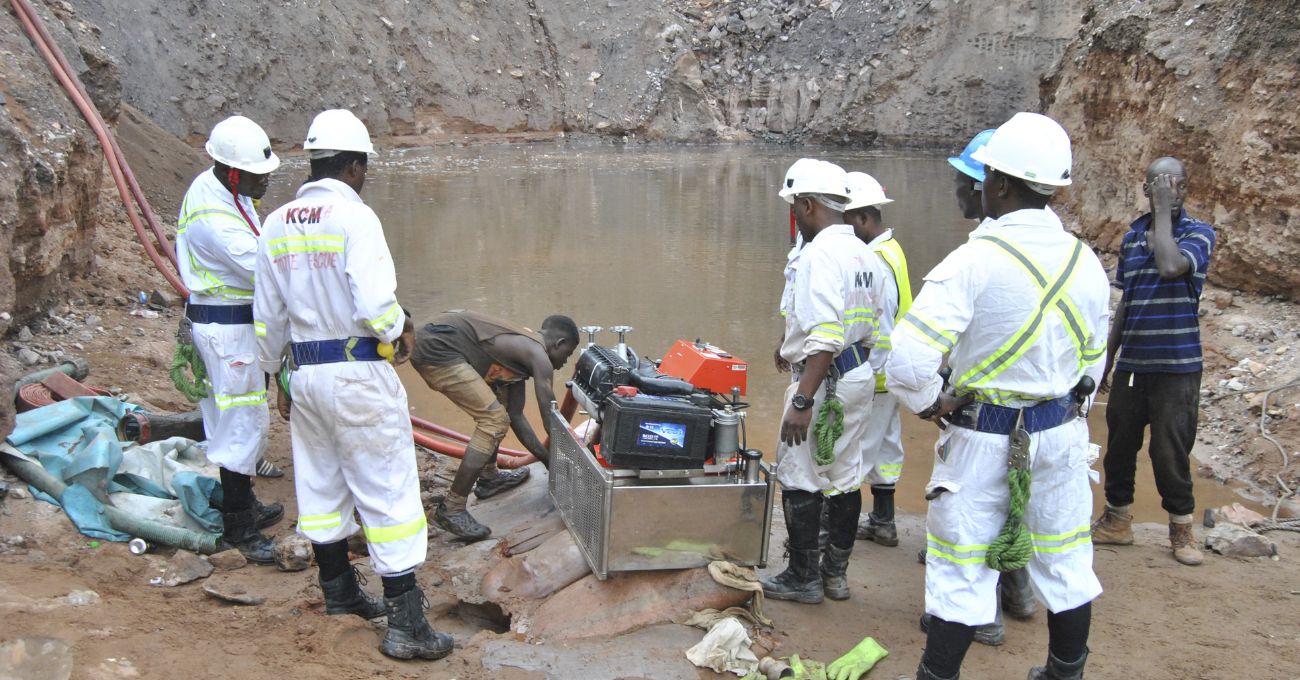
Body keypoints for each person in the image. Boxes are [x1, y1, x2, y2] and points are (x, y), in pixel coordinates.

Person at [886, 112, 1109, 680]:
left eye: (985, 176)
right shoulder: (1086, 262)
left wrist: (933, 404)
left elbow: (908, 362)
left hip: (984, 439)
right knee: (1065, 560)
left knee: (962, 569)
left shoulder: (973, 261)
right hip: (1061, 436)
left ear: (1003, 184)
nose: (979, 184)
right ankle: (1064, 672)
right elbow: (1093, 364)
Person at [254, 109, 452, 661]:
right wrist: (399, 329)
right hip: (356, 370)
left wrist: (278, 378)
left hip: (306, 374)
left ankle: (339, 593)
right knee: (388, 491)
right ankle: (407, 625)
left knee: (321, 486)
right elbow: (375, 307)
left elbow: (267, 320)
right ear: (356, 165)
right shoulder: (354, 218)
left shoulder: (276, 223)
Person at [914, 129, 1041, 648]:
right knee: (1013, 495)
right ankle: (1020, 591)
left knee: (977, 506)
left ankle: (981, 616)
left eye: (962, 181)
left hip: (989, 406)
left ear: (987, 184)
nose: (957, 192)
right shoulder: (1038, 247)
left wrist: (934, 394)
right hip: (1036, 407)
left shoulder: (985, 252)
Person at [763, 158, 888, 604]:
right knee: (844, 476)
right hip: (856, 377)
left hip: (822, 380)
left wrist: (802, 400)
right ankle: (835, 575)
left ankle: (803, 577)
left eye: (796, 206)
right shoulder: (866, 254)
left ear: (810, 204)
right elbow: (873, 327)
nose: (795, 215)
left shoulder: (817, 255)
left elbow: (826, 335)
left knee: (798, 476)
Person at [1092, 156, 1215, 567]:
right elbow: (1126, 304)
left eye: (1175, 185)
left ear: (1185, 189)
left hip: (1177, 366)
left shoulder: (1199, 235)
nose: (1169, 192)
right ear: (1145, 190)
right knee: (1120, 447)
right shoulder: (1130, 239)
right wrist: (1106, 363)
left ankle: (1181, 529)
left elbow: (1169, 266)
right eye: (1159, 186)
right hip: (1134, 364)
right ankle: (1117, 520)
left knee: (1170, 451)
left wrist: (1162, 213)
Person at [176, 115, 283, 563]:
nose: (266, 183)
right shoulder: (216, 219)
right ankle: (240, 525)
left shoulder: (222, 189)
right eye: (260, 177)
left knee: (230, 419)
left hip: (226, 324)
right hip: (228, 329)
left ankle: (244, 504)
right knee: (241, 423)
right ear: (234, 172)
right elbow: (268, 269)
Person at [410, 310, 578, 541]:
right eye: (567, 355)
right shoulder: (538, 355)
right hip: (436, 348)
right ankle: (452, 508)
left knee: (501, 412)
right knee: (492, 419)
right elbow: (551, 419)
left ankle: (489, 479)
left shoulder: (521, 354)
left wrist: (548, 461)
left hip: (437, 339)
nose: (564, 363)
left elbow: (516, 416)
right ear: (560, 343)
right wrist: (567, 463)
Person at [841, 171, 910, 548]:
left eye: (847, 221)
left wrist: (866, 371)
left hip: (877, 373)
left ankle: (836, 535)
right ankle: (884, 521)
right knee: (886, 447)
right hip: (892, 372)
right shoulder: (892, 250)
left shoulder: (874, 260)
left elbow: (879, 322)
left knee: (856, 453)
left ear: (864, 219)